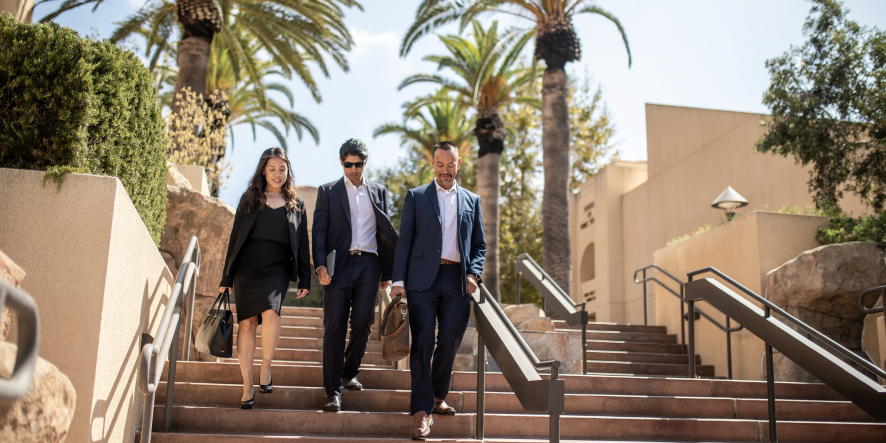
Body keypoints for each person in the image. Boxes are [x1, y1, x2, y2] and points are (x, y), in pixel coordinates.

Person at [390, 141, 486, 440]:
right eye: (440, 165)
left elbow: (479, 245)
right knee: (422, 343)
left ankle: (436, 395)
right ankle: (421, 411)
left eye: (451, 165)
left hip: (458, 281)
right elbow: (405, 240)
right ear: (433, 163)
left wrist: (474, 273)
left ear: (459, 164)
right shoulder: (417, 196)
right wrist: (398, 281)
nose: (446, 170)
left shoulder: (472, 200)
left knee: (449, 340)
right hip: (422, 281)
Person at [219, 147, 311, 409]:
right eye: (272, 169)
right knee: (246, 324)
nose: (277, 174)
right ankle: (247, 384)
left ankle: (266, 367)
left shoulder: (297, 204)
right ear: (263, 170)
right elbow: (235, 238)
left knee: (272, 313)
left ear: (287, 171)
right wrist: (226, 276)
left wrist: (305, 278)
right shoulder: (249, 198)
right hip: (247, 267)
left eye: (282, 169)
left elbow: (302, 244)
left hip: (277, 268)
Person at [312, 138, 398, 412]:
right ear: (341, 163)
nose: (353, 169)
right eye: (348, 164)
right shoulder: (328, 191)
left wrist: (387, 270)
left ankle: (349, 372)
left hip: (370, 265)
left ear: (365, 163)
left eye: (358, 164)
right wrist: (320, 266)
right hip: (339, 266)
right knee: (334, 326)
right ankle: (333, 390)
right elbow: (319, 232)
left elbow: (384, 233)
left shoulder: (379, 191)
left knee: (363, 323)